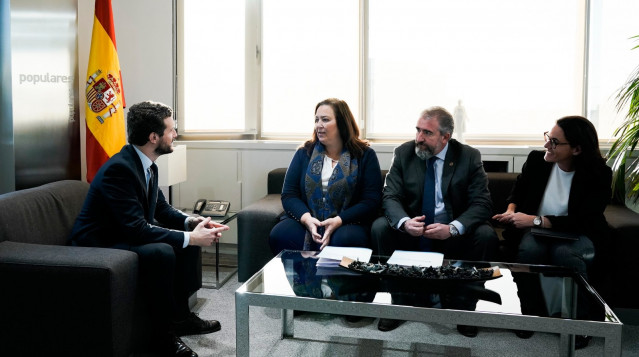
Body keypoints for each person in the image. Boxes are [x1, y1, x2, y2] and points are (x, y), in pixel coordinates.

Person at [70, 101, 229, 357]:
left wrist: (194, 223)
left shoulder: (147, 164)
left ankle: (181, 318)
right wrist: (190, 237)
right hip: (97, 243)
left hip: (122, 233)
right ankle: (162, 338)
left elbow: (162, 210)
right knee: (163, 251)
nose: (175, 134)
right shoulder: (120, 169)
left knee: (186, 244)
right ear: (154, 137)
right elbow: (137, 229)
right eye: (171, 130)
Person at [371, 106, 499, 334]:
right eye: (418, 130)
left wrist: (453, 228)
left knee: (485, 234)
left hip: (451, 233)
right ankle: (398, 303)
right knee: (381, 227)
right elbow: (390, 195)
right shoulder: (404, 153)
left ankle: (464, 307)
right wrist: (404, 222)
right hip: (413, 231)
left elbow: (482, 203)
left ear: (445, 137)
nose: (419, 138)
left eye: (427, 133)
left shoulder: (468, 156)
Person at [492, 115, 612, 348]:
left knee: (565, 254)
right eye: (548, 136)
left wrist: (535, 221)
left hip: (578, 233)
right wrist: (511, 210)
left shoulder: (599, 174)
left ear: (577, 149)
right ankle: (529, 313)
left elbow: (583, 220)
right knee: (528, 249)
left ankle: (580, 322)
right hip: (536, 231)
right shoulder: (538, 160)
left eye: (555, 142)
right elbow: (518, 190)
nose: (547, 144)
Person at [269, 98, 383, 254]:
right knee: (281, 234)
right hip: (308, 219)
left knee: (346, 239)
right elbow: (289, 195)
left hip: (347, 222)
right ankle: (302, 279)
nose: (319, 125)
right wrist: (307, 219)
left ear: (342, 123)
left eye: (325, 119)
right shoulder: (304, 153)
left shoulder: (365, 155)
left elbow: (371, 200)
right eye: (316, 120)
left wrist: (338, 220)